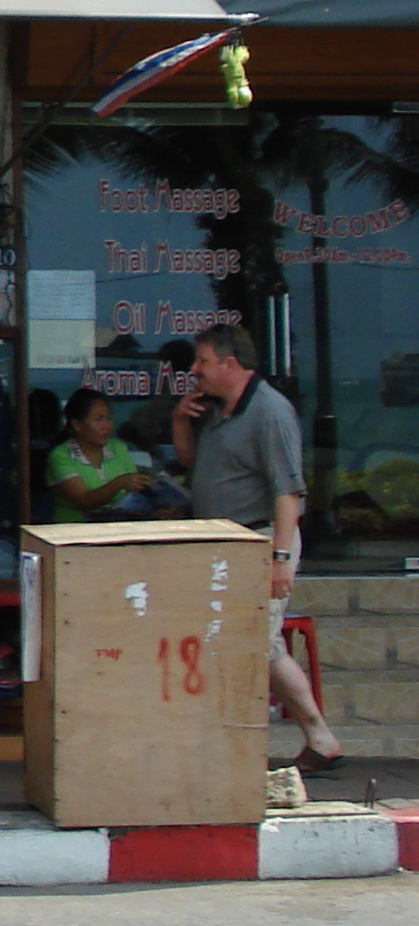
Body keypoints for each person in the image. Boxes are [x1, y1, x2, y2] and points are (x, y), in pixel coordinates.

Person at [173, 322, 343, 773]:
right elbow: (193, 462)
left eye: (204, 361)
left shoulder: (270, 412)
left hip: (261, 539)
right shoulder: (216, 409)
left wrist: (280, 559)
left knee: (257, 644)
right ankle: (309, 737)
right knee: (246, 643)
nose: (196, 370)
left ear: (230, 364)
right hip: (222, 545)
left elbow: (289, 493)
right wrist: (179, 421)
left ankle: (311, 735)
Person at [44, 389, 154, 523]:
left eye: (108, 419)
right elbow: (84, 500)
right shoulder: (61, 455)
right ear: (77, 425)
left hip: (119, 528)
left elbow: (134, 489)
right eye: (98, 420)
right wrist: (120, 482)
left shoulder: (118, 447)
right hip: (75, 531)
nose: (106, 426)